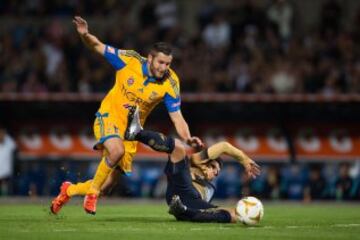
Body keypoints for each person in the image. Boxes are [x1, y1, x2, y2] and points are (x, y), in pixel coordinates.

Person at [50, 16, 203, 215]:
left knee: (109, 185)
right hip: (109, 116)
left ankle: (68, 190)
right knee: (115, 151)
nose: (164, 68)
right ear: (150, 58)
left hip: (132, 131)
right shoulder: (129, 60)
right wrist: (85, 35)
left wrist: (187, 137)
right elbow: (97, 46)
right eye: (161, 62)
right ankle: (92, 193)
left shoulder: (171, 82)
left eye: (168, 64)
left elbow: (177, 116)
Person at [125, 106, 261, 223]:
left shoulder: (210, 187)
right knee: (179, 148)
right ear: (208, 162)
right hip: (182, 185)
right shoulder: (196, 162)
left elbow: (204, 206)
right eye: (214, 167)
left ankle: (182, 210)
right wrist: (245, 160)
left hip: (190, 201)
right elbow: (224, 146)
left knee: (233, 215)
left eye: (218, 173)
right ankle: (137, 133)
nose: (215, 173)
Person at [0, 127, 16, 196]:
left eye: (2, 134)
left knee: (5, 189)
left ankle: (4, 201)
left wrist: (6, 137)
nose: (1, 135)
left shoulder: (9, 143)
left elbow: (14, 146)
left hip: (6, 171)